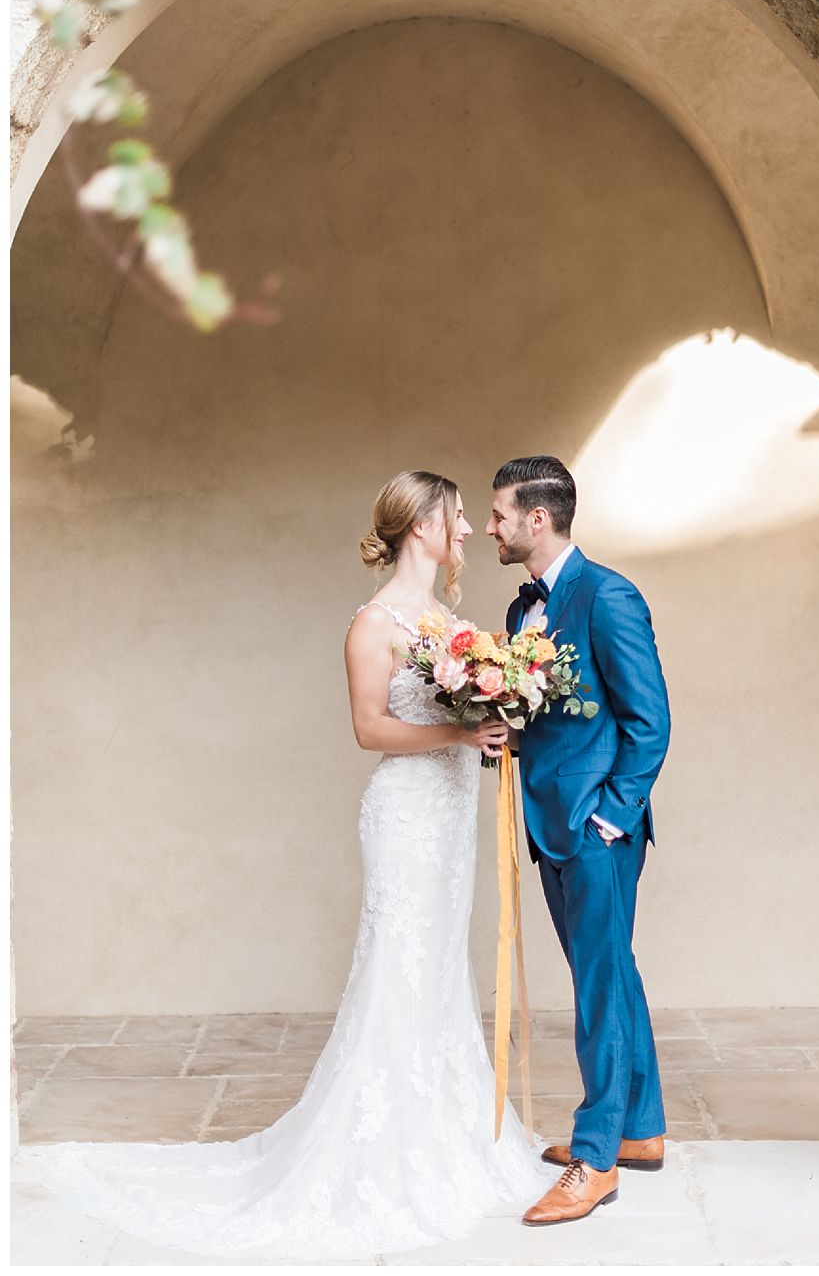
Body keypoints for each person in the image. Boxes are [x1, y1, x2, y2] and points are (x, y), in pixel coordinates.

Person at [17, 470, 550, 1260]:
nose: (469, 530)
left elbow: (459, 714)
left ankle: (445, 1126)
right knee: (397, 968)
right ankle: (382, 1153)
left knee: (438, 967)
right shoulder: (373, 625)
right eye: (458, 517)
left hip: (447, 821)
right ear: (421, 526)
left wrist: (495, 718)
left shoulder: (447, 620)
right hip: (404, 817)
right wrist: (461, 737)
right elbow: (370, 730)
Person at [486, 455, 671, 1226]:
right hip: (549, 823)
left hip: (595, 828)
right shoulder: (521, 610)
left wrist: (612, 814)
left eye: (498, 515)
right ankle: (641, 1131)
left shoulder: (608, 595)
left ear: (538, 518)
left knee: (597, 987)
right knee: (612, 975)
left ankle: (594, 1159)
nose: (489, 528)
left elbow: (648, 719)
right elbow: (559, 719)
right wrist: (509, 736)